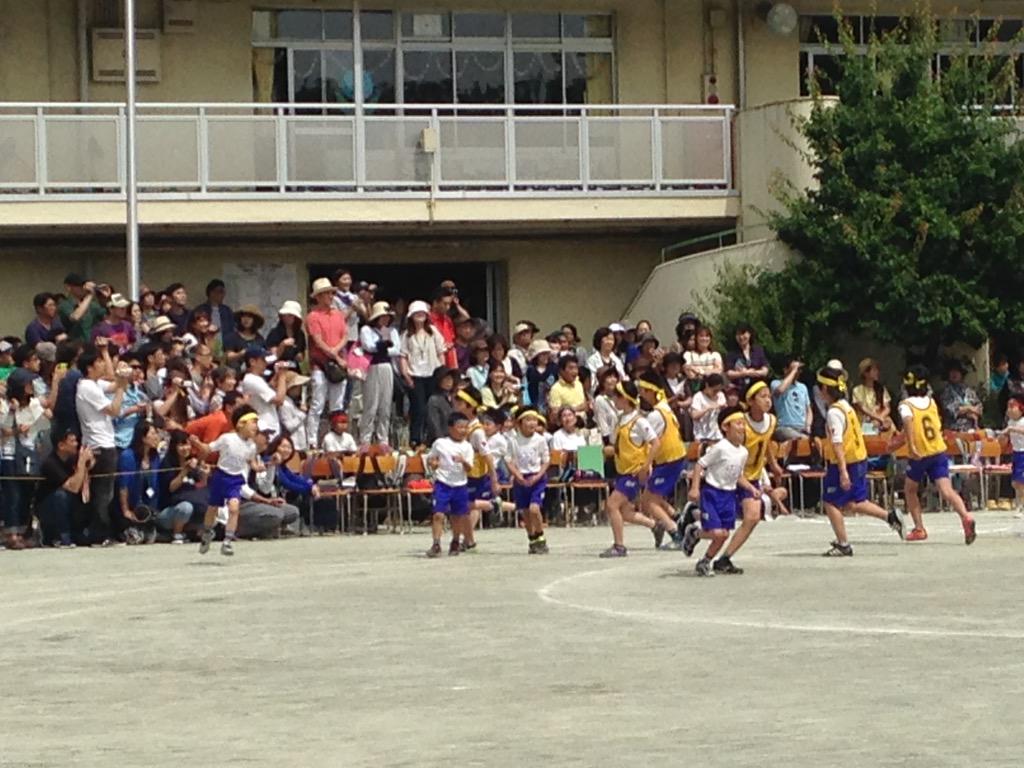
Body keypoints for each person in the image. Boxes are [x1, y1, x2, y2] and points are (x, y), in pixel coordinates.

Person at [815, 365, 904, 557]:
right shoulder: (846, 407)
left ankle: (843, 544)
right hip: (858, 458)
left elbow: (838, 442)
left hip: (845, 461)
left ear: (824, 390)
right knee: (854, 503)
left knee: (830, 502)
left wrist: (842, 471)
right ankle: (890, 517)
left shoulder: (833, 413)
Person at [891, 366, 977, 545]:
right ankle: (966, 516)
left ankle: (919, 528)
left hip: (920, 452)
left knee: (910, 489)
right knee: (946, 490)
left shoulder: (905, 405)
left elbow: (908, 423)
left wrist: (909, 445)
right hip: (938, 450)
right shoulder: (931, 402)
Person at [714, 380, 787, 574]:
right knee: (720, 524)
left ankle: (725, 558)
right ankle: (694, 525)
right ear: (751, 401)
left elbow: (766, 444)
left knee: (753, 517)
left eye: (768, 396)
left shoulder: (771, 421)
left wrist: (773, 465)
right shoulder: (741, 423)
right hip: (732, 475)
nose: (768, 400)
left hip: (751, 476)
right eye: (762, 396)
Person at [681, 406, 757, 577]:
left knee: (723, 535)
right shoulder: (720, 448)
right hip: (712, 493)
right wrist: (694, 488)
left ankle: (705, 561)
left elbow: (737, 475)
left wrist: (751, 488)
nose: (742, 427)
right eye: (738, 423)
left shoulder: (743, 452)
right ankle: (694, 532)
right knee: (716, 532)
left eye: (743, 424)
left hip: (729, 496)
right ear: (725, 427)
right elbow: (700, 464)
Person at [190, 404, 263, 556]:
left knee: (234, 508)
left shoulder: (251, 446)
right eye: (253, 422)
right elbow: (208, 449)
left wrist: (260, 467)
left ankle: (227, 541)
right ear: (241, 424)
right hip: (220, 476)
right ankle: (207, 533)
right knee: (213, 508)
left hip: (236, 479)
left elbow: (252, 463)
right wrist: (196, 443)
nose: (256, 427)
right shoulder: (227, 439)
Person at [75, 343, 129, 546]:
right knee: (102, 493)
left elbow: (112, 382)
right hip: (100, 445)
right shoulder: (87, 387)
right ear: (89, 366)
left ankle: (100, 532)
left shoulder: (94, 384)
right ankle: (99, 535)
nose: (101, 365)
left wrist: (120, 378)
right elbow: (114, 409)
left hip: (105, 442)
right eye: (98, 361)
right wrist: (122, 388)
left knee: (106, 491)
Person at [634, 373, 686, 549]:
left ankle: (675, 533)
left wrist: (646, 464)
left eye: (643, 391)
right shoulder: (664, 407)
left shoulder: (656, 415)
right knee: (649, 496)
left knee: (649, 502)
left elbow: (649, 441)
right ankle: (679, 518)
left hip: (668, 460)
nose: (641, 395)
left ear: (651, 391)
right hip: (675, 458)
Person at [305, 277, 349, 448]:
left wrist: (336, 351)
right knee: (317, 403)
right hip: (321, 364)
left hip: (337, 363)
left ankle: (336, 441)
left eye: (331, 293)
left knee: (337, 405)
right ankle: (312, 441)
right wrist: (336, 355)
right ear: (318, 297)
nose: (330, 296)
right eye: (326, 294)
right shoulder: (313, 316)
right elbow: (318, 341)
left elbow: (345, 335)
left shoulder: (338, 315)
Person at [425, 412, 475, 557]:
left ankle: (455, 541)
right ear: (451, 428)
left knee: (457, 516)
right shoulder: (440, 443)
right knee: (438, 514)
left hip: (460, 484)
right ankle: (436, 543)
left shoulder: (467, 447)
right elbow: (431, 459)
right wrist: (433, 463)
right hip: (443, 483)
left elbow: (469, 468)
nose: (463, 430)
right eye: (460, 427)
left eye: (466, 427)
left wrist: (463, 461)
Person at [399, 300, 446, 447]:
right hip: (415, 375)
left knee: (432, 407)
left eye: (422, 313)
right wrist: (406, 375)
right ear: (411, 316)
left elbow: (441, 352)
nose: (420, 316)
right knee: (418, 408)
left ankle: (431, 437)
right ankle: (415, 439)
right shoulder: (406, 335)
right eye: (416, 313)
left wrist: (442, 372)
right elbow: (403, 356)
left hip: (432, 374)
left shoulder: (433, 331)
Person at [35, 428, 92, 547]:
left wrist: (88, 460)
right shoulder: (50, 463)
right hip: (48, 508)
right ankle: (61, 536)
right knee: (61, 495)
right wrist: (81, 462)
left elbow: (89, 467)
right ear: (61, 445)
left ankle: (79, 532)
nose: (76, 444)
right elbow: (73, 487)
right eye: (72, 441)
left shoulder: (71, 459)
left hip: (68, 506)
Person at [507, 407, 551, 554]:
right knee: (525, 511)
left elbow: (546, 461)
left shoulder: (540, 440)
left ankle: (540, 536)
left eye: (534, 420)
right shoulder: (513, 441)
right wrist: (517, 475)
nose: (532, 423)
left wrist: (538, 476)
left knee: (534, 508)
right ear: (519, 423)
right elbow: (509, 460)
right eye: (528, 420)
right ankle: (532, 538)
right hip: (521, 478)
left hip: (536, 477)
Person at [359, 302, 401, 447]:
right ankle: (365, 437)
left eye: (387, 317)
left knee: (385, 404)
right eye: (382, 316)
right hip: (372, 366)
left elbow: (396, 350)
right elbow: (368, 346)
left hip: (386, 366)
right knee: (371, 403)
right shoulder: (367, 329)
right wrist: (382, 346)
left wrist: (383, 349)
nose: (385, 319)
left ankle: (383, 438)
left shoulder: (391, 331)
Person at [240, 348, 288, 438]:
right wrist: (282, 376)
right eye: (263, 360)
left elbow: (268, 389)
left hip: (270, 425)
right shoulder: (251, 379)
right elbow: (279, 400)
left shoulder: (257, 379)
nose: (266, 363)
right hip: (265, 427)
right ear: (252, 361)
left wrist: (277, 375)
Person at [771, 356, 812, 441]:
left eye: (799, 370)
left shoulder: (803, 387)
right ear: (785, 369)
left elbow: (808, 409)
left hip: (802, 428)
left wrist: (808, 425)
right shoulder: (776, 383)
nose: (798, 372)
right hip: (785, 427)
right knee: (796, 437)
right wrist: (793, 371)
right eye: (795, 369)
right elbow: (780, 390)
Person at [58, 274, 108, 343]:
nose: (84, 288)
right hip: (75, 345)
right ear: (68, 287)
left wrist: (104, 298)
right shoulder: (65, 305)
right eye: (80, 285)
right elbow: (75, 317)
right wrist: (90, 295)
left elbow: (107, 317)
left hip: (92, 345)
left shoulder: (92, 305)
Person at [852, 358, 893, 436]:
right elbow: (862, 409)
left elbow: (887, 407)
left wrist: (880, 417)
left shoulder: (881, 389)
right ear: (865, 373)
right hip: (864, 422)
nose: (877, 372)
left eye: (877, 370)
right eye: (874, 370)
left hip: (880, 421)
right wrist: (877, 418)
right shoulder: (857, 390)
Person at [191, 279, 233, 351]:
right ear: (211, 292)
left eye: (223, 292)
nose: (222, 295)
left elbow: (232, 328)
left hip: (225, 348)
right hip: (205, 348)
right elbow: (194, 328)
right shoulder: (200, 309)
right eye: (220, 292)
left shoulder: (227, 310)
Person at [940, 361, 983, 432]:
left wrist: (972, 413)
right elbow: (950, 410)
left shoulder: (969, 391)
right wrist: (969, 409)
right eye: (952, 371)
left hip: (972, 429)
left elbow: (979, 408)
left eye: (957, 371)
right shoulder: (945, 392)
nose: (954, 374)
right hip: (954, 429)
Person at [725, 324, 770, 390]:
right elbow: (729, 373)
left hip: (757, 387)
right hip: (739, 388)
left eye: (743, 334)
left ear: (749, 334)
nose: (741, 337)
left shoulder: (758, 350)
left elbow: (765, 371)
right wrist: (745, 373)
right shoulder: (731, 354)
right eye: (738, 334)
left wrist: (752, 373)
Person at [265, 300, 307, 365]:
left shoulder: (300, 334)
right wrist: (282, 345)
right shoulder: (275, 333)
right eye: (285, 315)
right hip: (276, 368)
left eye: (291, 316)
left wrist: (299, 356)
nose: (287, 318)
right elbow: (273, 357)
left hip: (293, 367)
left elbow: (302, 354)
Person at [690, 373, 726, 444]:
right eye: (714, 390)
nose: (716, 393)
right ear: (707, 386)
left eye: (718, 390)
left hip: (718, 435)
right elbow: (694, 416)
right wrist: (707, 408)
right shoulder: (698, 397)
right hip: (702, 436)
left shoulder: (721, 395)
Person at [1002, 396, 1024, 512]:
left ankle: (1020, 504)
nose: (1009, 410)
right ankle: (1019, 502)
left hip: (1023, 453)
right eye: (1008, 407)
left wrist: (1012, 429)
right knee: (1015, 482)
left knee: (1020, 481)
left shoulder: (1022, 421)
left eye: (1012, 407)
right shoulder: (1010, 422)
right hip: (1016, 453)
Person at [428, 286, 458, 370]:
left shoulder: (448, 320)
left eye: (449, 304)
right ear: (435, 303)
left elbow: (452, 340)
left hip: (450, 363)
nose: (448, 307)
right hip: (435, 364)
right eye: (445, 304)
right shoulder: (427, 320)